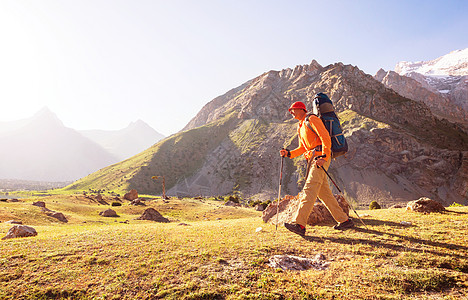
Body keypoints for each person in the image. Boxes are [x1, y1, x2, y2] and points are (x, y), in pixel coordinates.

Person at [279, 97, 353, 236]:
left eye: (293, 110)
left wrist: (324, 156)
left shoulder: (312, 119)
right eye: (290, 111)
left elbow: (325, 137)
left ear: (301, 109)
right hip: (313, 159)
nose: (291, 112)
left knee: (309, 189)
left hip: (320, 157)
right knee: (324, 193)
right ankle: (344, 221)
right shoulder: (300, 126)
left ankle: (299, 224)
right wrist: (289, 153)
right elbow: (302, 148)